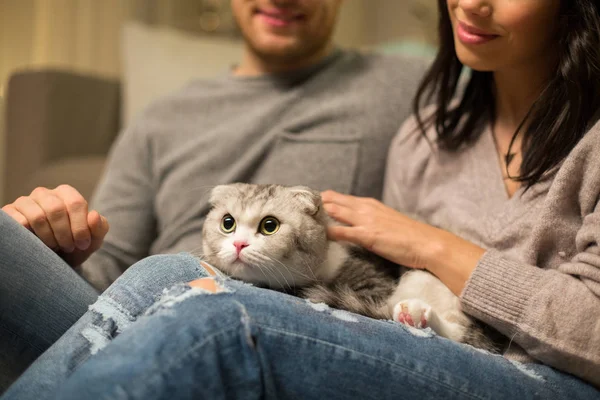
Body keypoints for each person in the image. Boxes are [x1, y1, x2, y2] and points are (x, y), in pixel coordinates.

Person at [4, 0, 600, 398]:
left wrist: (429, 245)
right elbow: (107, 287)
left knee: (191, 291)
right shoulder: (432, 130)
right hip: (147, 304)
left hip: (234, 311)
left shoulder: (399, 91)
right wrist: (61, 246)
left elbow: (387, 283)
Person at [0, 0, 428, 392]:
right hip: (130, 312)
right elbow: (104, 272)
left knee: (171, 275)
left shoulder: (405, 88)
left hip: (276, 326)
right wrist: (53, 243)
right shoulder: (161, 118)